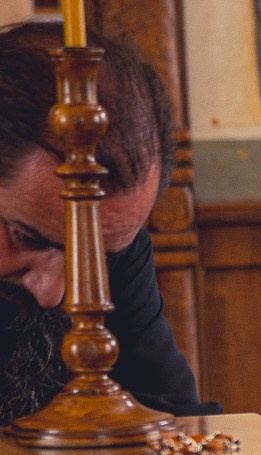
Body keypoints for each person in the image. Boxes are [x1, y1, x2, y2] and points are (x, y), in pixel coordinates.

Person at [0, 21, 212, 426]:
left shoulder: (120, 250)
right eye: (25, 237)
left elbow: (170, 417)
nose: (55, 293)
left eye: (94, 256)